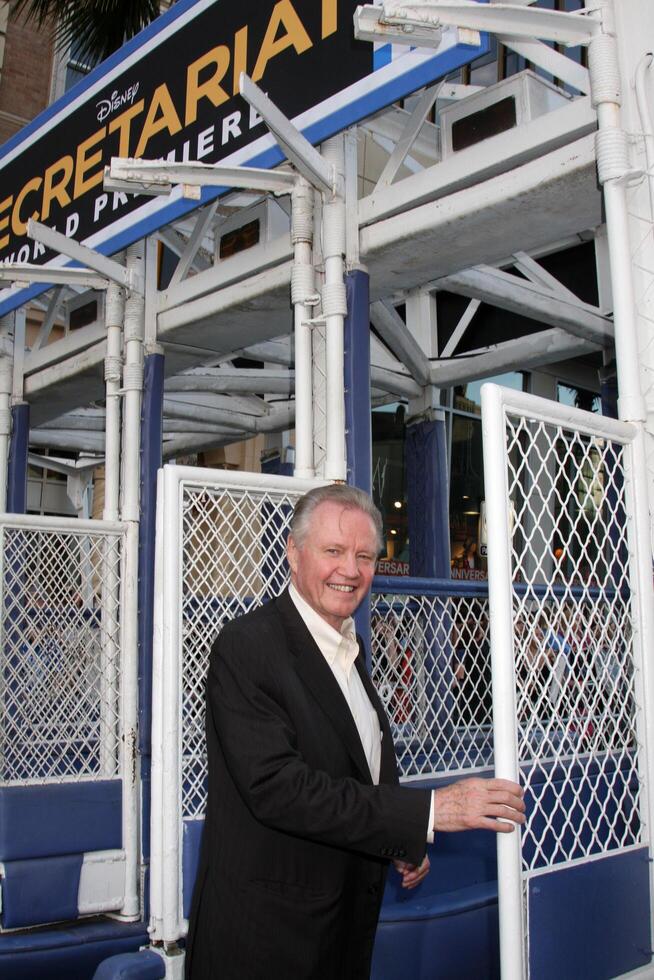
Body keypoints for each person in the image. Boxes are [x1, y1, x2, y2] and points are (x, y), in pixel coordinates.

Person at [185, 485, 524, 980]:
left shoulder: (347, 643)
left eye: (365, 555)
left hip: (340, 933)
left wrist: (400, 841)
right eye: (333, 551)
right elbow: (280, 790)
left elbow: (356, 761)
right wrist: (430, 811)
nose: (351, 570)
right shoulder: (247, 645)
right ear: (293, 554)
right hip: (267, 944)